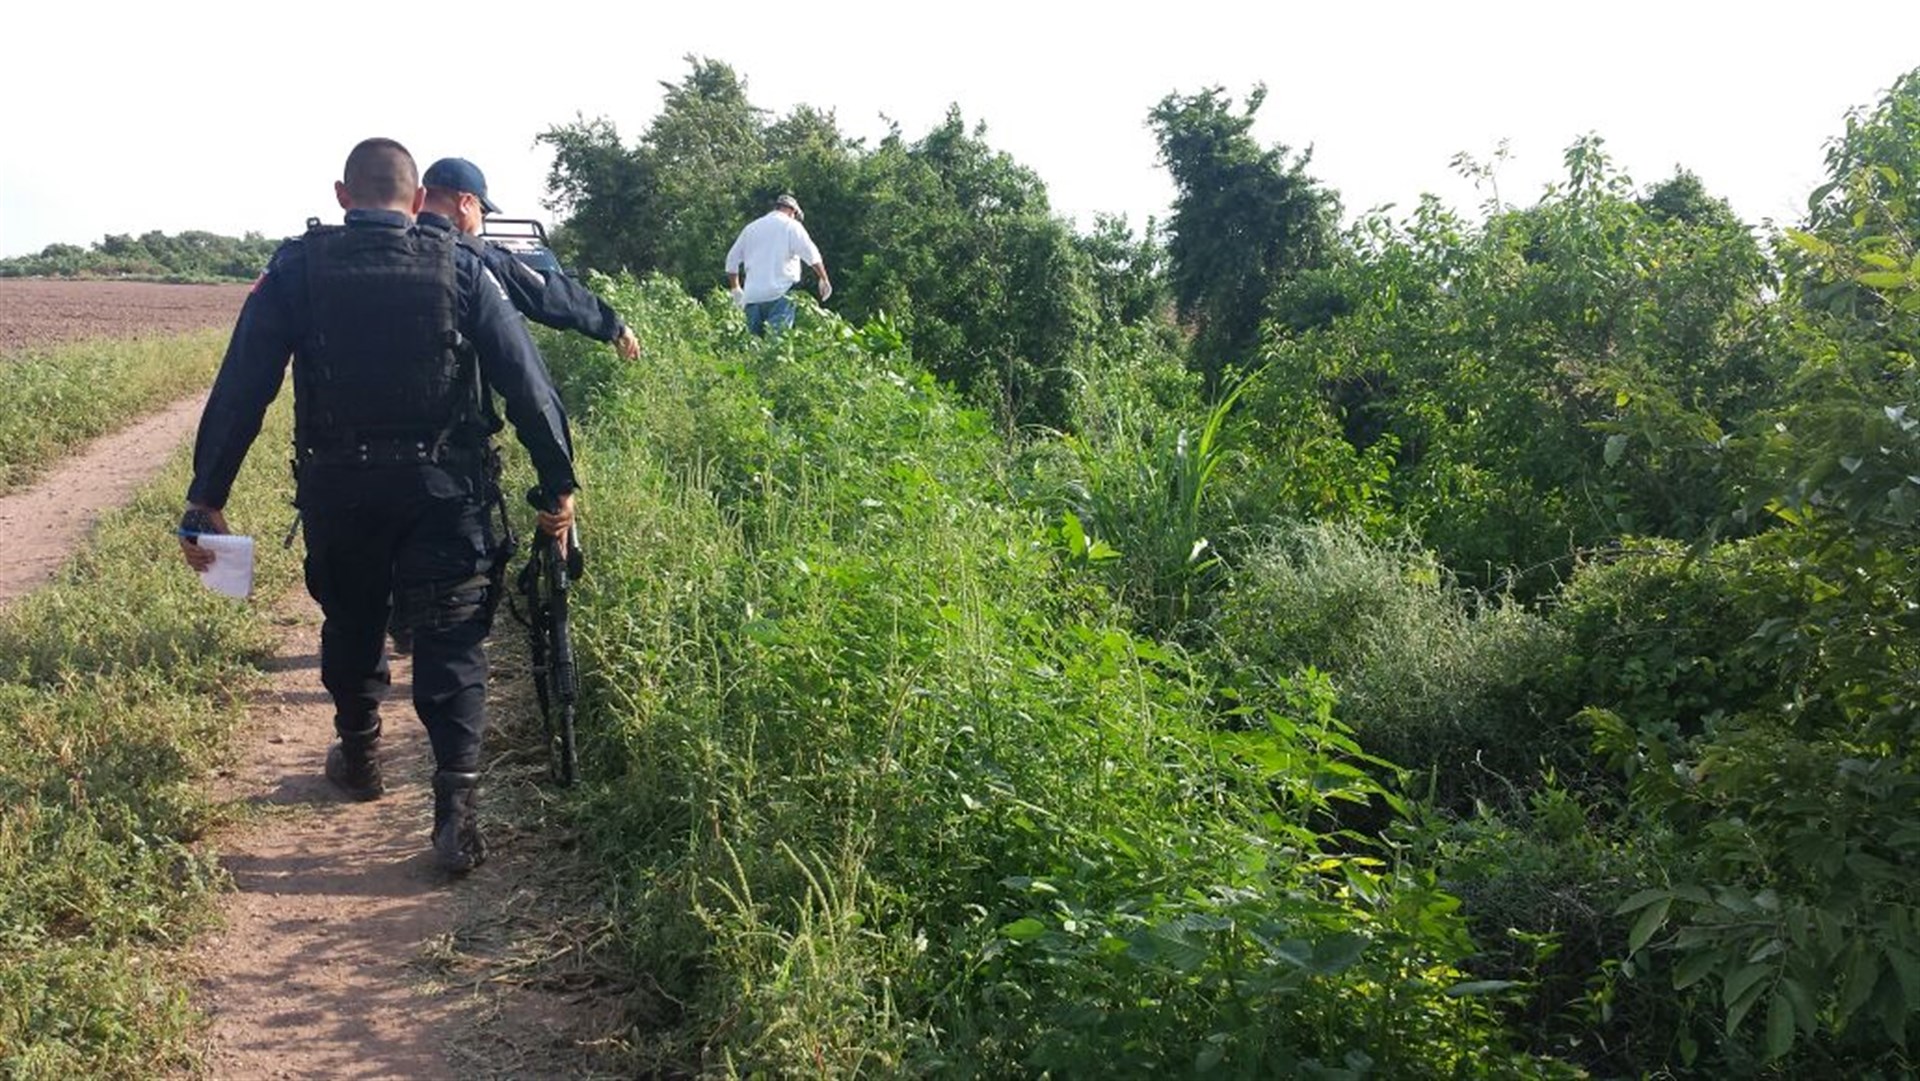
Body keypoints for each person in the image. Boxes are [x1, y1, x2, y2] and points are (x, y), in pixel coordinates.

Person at [178, 137, 579, 874]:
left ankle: (360, 754)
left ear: (342, 195)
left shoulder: (296, 269)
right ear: (418, 199)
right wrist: (557, 483)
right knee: (454, 640)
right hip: (446, 492)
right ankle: (455, 814)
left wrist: (208, 495)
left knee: (354, 615)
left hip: (342, 489)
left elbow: (243, 384)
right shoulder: (464, 267)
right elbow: (527, 382)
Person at [724, 193, 831, 335]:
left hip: (752, 297)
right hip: (781, 295)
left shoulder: (751, 228)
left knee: (752, 347)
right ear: (793, 211)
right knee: (777, 346)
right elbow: (811, 254)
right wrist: (824, 278)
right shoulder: (791, 226)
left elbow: (731, 260)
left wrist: (736, 288)